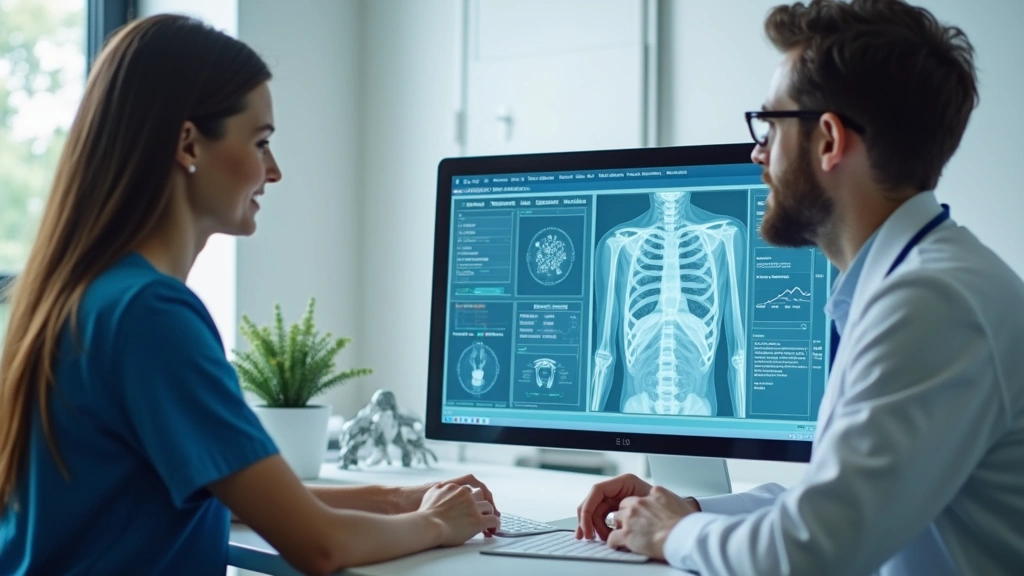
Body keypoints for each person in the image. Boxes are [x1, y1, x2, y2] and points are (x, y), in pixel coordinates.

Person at [0, 14, 499, 576]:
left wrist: (396, 499)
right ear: (188, 143)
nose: (274, 170)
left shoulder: (89, 295)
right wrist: (437, 524)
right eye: (261, 142)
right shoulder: (150, 315)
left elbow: (239, 497)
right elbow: (319, 546)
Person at [575, 0, 1024, 574]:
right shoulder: (912, 283)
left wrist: (674, 533)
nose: (757, 153)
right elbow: (832, 505)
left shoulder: (934, 303)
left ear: (829, 140)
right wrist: (687, 510)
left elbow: (812, 550)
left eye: (770, 127)